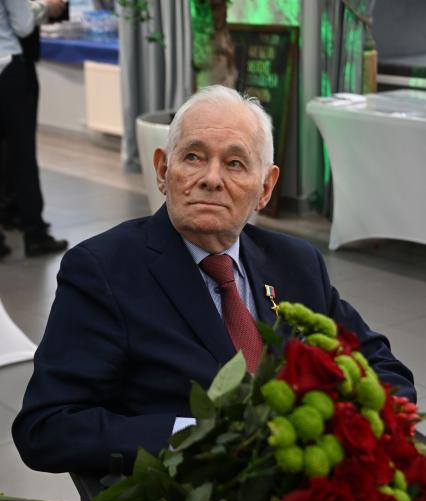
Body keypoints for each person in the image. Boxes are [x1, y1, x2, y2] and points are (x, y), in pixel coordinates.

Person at [12, 85, 416, 476]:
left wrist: (346, 429)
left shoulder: (296, 263)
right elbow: (47, 426)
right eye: (193, 157)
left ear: (266, 187)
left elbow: (382, 367)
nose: (211, 178)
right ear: (162, 170)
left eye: (235, 163)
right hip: (185, 500)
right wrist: (196, 437)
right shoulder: (104, 270)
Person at [0, 0, 68, 258]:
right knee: (22, 155)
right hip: (8, 66)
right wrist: (45, 7)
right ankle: (35, 233)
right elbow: (24, 25)